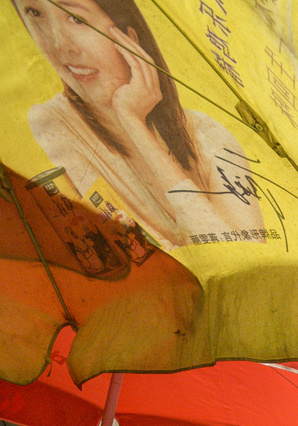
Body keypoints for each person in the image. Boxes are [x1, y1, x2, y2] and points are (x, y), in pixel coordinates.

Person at [17, 0, 264, 249]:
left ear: (130, 36)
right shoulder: (54, 126)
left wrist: (136, 126)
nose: (59, 46)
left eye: (76, 19)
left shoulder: (206, 135)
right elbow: (148, 259)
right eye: (35, 15)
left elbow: (246, 259)